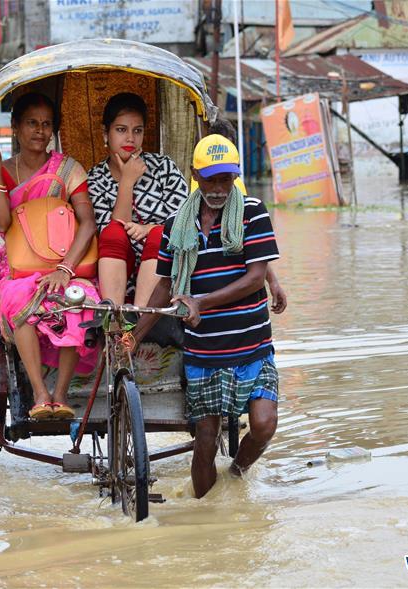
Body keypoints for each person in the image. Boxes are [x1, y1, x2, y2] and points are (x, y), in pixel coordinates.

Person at [132, 134, 281, 499]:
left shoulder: (252, 212)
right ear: (195, 176)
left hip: (253, 346)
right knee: (205, 440)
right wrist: (134, 336)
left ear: (235, 177)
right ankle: (205, 514)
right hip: (206, 354)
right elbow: (165, 285)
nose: (218, 189)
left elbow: (255, 278)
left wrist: (201, 302)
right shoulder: (175, 226)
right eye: (210, 179)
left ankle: (236, 473)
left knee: (264, 424)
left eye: (225, 180)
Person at [0, 92, 99, 420]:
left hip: (65, 263)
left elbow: (88, 223)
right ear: (16, 127)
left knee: (80, 301)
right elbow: (2, 224)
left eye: (47, 125)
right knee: (19, 300)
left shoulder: (68, 169)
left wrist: (65, 269)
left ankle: (60, 395)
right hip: (18, 267)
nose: (40, 131)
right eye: (32, 123)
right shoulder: (3, 170)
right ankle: (40, 393)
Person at [87, 93, 188, 306]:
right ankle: (113, 316)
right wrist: (126, 182)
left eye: (137, 130)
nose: (130, 138)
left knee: (160, 235)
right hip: (117, 275)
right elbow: (111, 232)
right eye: (121, 130)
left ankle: (141, 319)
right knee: (113, 232)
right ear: (106, 133)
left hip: (164, 275)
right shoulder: (95, 178)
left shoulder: (164, 168)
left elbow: (185, 220)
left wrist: (149, 229)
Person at [195, 118, 286, 314]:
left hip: (235, 296)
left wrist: (273, 281)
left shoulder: (242, 197)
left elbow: (252, 248)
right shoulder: (196, 194)